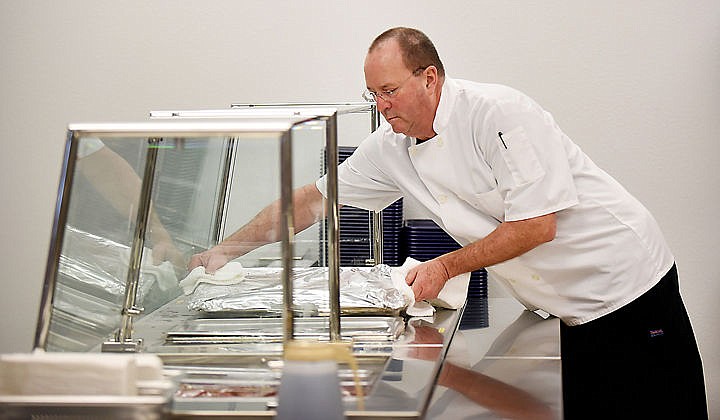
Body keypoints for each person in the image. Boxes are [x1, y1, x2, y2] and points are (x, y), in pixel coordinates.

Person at [189, 27, 707, 418]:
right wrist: (223, 252)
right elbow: (309, 203)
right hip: (566, 306)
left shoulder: (498, 113)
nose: (381, 106)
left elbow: (536, 226)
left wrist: (443, 267)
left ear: (429, 77)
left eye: (389, 91)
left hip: (625, 284)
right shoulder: (390, 146)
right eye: (373, 95)